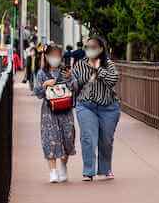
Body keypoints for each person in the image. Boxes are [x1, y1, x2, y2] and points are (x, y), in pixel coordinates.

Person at [70, 36, 120, 181]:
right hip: (86, 105)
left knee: (106, 140)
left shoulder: (108, 64)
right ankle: (88, 171)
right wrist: (69, 79)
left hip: (108, 107)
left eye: (93, 47)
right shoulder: (80, 65)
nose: (89, 50)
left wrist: (99, 70)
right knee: (87, 137)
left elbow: (113, 80)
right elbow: (74, 84)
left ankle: (105, 169)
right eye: (87, 47)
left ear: (100, 49)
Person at [34, 44, 76, 183]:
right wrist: (45, 84)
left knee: (67, 139)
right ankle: (52, 171)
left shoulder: (66, 71)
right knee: (50, 139)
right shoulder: (41, 73)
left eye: (57, 56)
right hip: (49, 111)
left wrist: (69, 78)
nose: (55, 58)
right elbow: (38, 94)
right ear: (46, 57)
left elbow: (75, 87)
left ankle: (63, 166)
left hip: (65, 110)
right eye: (52, 56)